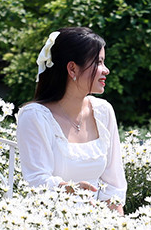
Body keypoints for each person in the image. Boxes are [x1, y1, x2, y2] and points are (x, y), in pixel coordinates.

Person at [16, 27, 126, 214]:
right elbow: (36, 180)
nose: (105, 70)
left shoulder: (103, 112)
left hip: (100, 225)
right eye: (98, 62)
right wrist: (69, 190)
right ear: (72, 68)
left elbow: (114, 186)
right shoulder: (34, 116)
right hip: (52, 222)